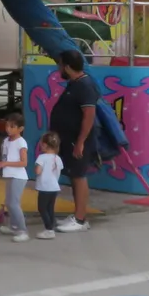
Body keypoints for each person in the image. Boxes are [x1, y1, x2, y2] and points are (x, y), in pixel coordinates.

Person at [50, 49, 97, 232]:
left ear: (68, 67)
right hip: (68, 139)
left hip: (77, 140)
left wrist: (80, 142)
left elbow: (89, 115)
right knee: (73, 175)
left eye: (60, 65)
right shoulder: (74, 84)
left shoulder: (85, 85)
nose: (59, 68)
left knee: (79, 176)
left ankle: (80, 219)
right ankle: (77, 214)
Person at [0, 112, 29, 242]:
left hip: (18, 176)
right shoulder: (6, 141)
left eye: (12, 126)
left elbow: (24, 163)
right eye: (7, 125)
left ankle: (23, 230)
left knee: (14, 204)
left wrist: (6, 164)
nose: (8, 129)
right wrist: (1, 163)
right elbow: (6, 157)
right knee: (9, 203)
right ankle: (14, 226)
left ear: (20, 129)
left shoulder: (21, 142)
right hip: (10, 175)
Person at [33, 131, 65, 240]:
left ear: (44, 145)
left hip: (44, 187)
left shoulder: (42, 157)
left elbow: (38, 171)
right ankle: (52, 225)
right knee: (50, 208)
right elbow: (59, 171)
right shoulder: (58, 158)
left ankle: (49, 229)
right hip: (54, 187)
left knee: (42, 208)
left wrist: (36, 167)